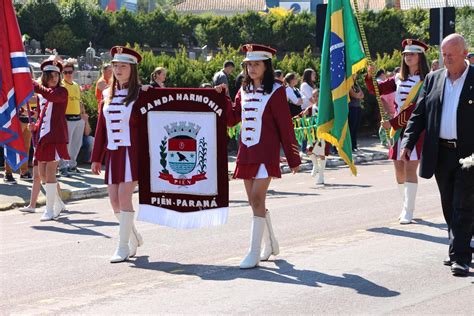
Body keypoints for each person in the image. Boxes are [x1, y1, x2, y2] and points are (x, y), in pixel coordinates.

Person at [401, 34, 473, 277]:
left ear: (465, 53)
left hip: (469, 155)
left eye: (451, 55)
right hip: (441, 153)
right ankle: (459, 245)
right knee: (448, 203)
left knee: (462, 204)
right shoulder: (433, 80)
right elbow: (419, 114)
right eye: (443, 55)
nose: (446, 60)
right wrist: (408, 142)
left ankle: (460, 257)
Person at [224, 44, 301, 269]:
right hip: (246, 152)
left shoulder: (277, 90)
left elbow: (285, 126)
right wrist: (222, 97)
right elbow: (232, 119)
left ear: (266, 66)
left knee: (257, 199)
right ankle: (271, 243)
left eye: (257, 64)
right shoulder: (243, 91)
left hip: (266, 153)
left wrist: (293, 158)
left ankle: (253, 252)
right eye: (249, 64)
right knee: (253, 202)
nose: (252, 68)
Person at [366, 39, 430, 224]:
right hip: (397, 131)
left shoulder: (427, 80)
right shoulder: (398, 78)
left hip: (415, 129)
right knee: (398, 167)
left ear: (420, 57)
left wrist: (393, 122)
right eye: (406, 54)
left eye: (412, 54)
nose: (408, 57)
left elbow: (417, 108)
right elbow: (376, 90)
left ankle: (409, 210)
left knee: (410, 166)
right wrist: (370, 76)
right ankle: (404, 206)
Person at [91, 46, 144, 263]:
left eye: (123, 66)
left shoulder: (142, 93)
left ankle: (122, 246)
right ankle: (132, 236)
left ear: (132, 69)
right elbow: (101, 128)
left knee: (124, 198)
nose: (118, 70)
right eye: (115, 66)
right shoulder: (107, 94)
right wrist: (96, 157)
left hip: (132, 154)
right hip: (113, 154)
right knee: (113, 202)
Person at [27, 59, 69, 221]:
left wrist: (35, 85)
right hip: (43, 137)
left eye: (57, 75)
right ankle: (57, 203)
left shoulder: (61, 92)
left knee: (50, 172)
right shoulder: (42, 95)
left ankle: (49, 209)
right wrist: (35, 126)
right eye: (51, 76)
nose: (54, 79)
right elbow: (42, 115)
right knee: (42, 174)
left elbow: (51, 96)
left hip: (55, 137)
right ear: (45, 76)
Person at [297, 88, 329, 184]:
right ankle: (315, 165)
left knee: (321, 154)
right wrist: (294, 119)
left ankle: (321, 176)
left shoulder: (325, 108)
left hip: (323, 134)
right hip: (313, 134)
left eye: (317, 96)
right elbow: (301, 115)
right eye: (313, 96)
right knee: (309, 150)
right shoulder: (311, 108)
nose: (315, 98)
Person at [59, 61, 84, 176]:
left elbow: (79, 101)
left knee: (77, 144)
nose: (68, 74)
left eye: (70, 72)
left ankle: (72, 165)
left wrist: (84, 116)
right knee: (66, 144)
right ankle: (63, 166)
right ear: (62, 73)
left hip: (78, 118)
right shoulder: (61, 86)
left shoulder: (76, 85)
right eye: (65, 72)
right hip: (66, 118)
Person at [348, 74, 364, 152]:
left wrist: (358, 95)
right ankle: (350, 145)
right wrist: (358, 95)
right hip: (351, 107)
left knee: (356, 127)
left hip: (358, 107)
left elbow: (362, 95)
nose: (355, 75)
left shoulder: (356, 84)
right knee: (351, 127)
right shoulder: (348, 83)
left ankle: (354, 145)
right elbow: (354, 94)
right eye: (353, 74)